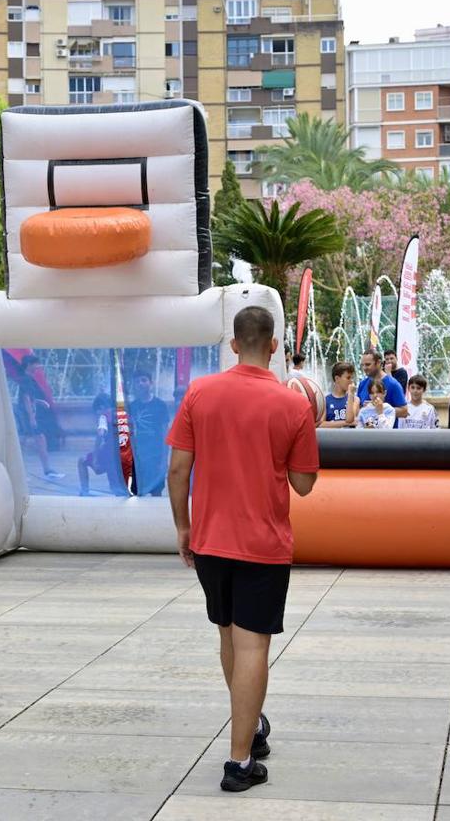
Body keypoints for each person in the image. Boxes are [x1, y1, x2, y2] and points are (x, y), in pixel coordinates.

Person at [166, 306, 319, 793]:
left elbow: (177, 470)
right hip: (263, 543)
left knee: (229, 637)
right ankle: (239, 761)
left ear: (234, 344)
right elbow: (304, 485)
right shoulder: (292, 405)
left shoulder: (200, 392)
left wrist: (183, 528)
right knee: (253, 644)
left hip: (210, 540)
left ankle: (249, 725)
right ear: (273, 346)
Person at [15, 355, 64, 481]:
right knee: (23, 442)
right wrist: (31, 418)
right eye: (36, 364)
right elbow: (26, 399)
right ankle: (19, 472)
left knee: (36, 440)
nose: (39, 366)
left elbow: (31, 398)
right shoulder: (26, 379)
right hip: (28, 416)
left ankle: (47, 470)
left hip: (31, 415)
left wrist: (41, 403)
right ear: (29, 365)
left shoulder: (29, 379)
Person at [78, 393, 131, 496]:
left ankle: (85, 491)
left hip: (109, 456)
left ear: (101, 408)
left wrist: (95, 458)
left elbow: (100, 434)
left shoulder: (103, 416)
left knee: (82, 460)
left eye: (96, 412)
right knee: (120, 489)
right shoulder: (123, 414)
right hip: (125, 455)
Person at [128, 371, 171, 496]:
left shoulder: (160, 405)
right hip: (139, 456)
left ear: (150, 383)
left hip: (155, 455)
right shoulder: (132, 406)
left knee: (156, 492)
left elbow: (165, 434)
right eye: (137, 382)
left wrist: (164, 460)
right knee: (136, 492)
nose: (140, 384)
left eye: (143, 380)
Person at [356, 351, 408, 421]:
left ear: (378, 363)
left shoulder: (393, 384)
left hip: (386, 431)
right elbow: (358, 410)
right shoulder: (362, 384)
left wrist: (380, 408)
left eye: (368, 364)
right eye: (362, 365)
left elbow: (404, 412)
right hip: (367, 430)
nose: (364, 368)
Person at [321, 361, 358, 428]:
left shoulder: (355, 399)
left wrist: (350, 395)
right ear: (337, 379)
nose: (351, 381)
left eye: (352, 378)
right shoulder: (325, 400)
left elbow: (350, 420)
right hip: (332, 437)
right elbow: (321, 424)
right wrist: (345, 423)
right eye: (348, 378)